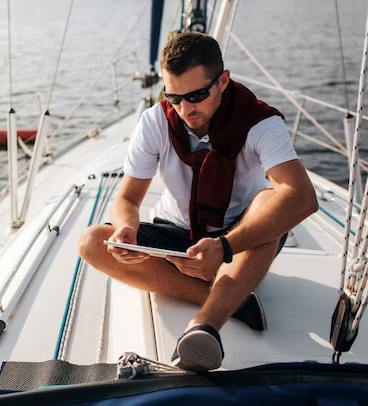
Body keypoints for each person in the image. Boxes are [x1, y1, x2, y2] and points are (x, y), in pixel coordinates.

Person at [77, 32, 317, 372]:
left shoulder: (261, 123)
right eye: (174, 97)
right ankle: (234, 300)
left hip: (237, 243)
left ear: (223, 81)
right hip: (175, 237)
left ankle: (204, 325)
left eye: (196, 96)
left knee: (269, 201)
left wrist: (224, 246)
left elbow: (302, 198)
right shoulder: (155, 121)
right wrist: (126, 228)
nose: (185, 109)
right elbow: (127, 198)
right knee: (91, 242)